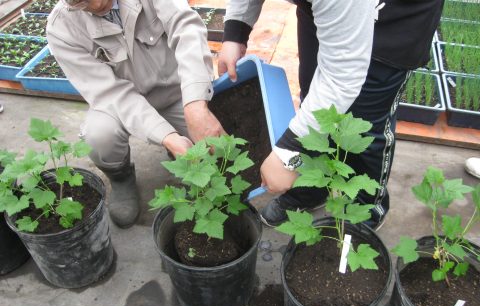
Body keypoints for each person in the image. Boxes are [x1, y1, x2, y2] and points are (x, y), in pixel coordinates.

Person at [218, 0, 444, 229]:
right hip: (327, 12)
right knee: (314, 101)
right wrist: (236, 30)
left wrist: (287, 154)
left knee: (365, 126)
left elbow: (342, 77)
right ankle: (313, 187)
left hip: (393, 22)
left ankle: (367, 207)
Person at [46, 0, 226, 228]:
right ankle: (121, 177)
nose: (94, 5)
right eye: (80, 2)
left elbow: (186, 27)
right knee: (99, 136)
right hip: (122, 104)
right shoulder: (62, 28)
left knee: (217, 137)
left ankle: (183, 151)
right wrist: (167, 137)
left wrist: (195, 105)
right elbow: (110, 94)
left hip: (176, 91)